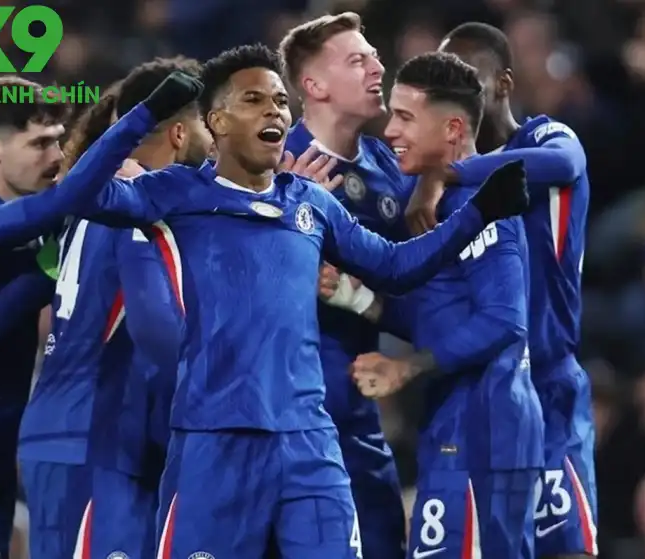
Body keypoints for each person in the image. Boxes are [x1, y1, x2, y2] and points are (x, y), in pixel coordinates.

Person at [66, 44, 527, 558]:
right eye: (254, 100)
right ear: (217, 121)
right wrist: (144, 115)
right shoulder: (176, 193)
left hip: (309, 442)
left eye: (281, 101)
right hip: (214, 440)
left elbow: (396, 267)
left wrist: (478, 213)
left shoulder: (310, 202)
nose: (274, 111)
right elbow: (81, 193)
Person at [0, 71, 204, 559]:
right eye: (39, 144)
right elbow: (9, 294)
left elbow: (27, 289)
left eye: (58, 141)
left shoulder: (54, 228)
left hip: (6, 426)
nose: (55, 157)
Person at [342, 51, 544, 559]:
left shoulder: (486, 203)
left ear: (453, 127)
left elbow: (504, 319)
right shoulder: (440, 205)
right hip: (463, 420)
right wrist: (351, 296)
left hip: (486, 423)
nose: (391, 130)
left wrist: (407, 366)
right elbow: (442, 315)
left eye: (405, 117)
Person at [405, 22, 596, 559]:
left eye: (472, 78)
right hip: (477, 394)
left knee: (565, 550)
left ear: (505, 83)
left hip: (549, 385)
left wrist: (451, 172)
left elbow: (564, 164)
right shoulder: (433, 183)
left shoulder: (546, 139)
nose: (458, 94)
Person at [278, 12, 409, 556]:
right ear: (314, 85)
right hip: (286, 414)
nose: (378, 69)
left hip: (357, 408)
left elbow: (416, 291)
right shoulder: (274, 165)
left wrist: (360, 297)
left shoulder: (389, 167)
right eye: (358, 61)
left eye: (374, 57)